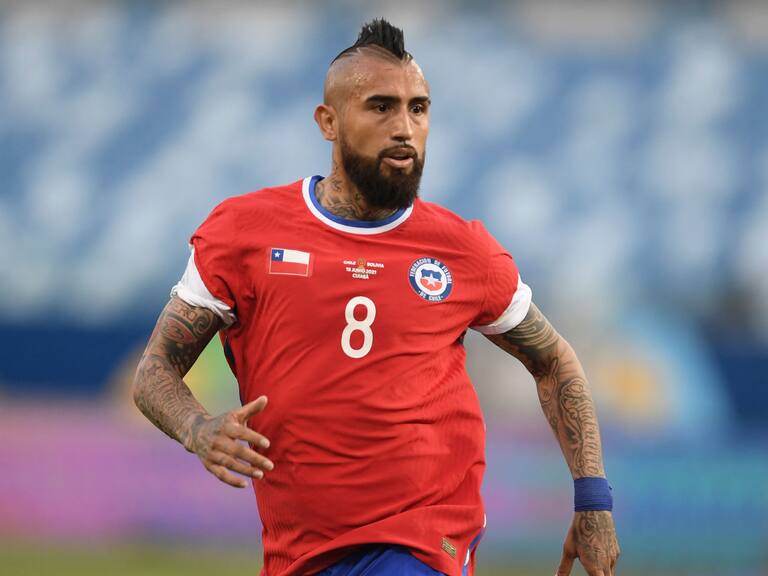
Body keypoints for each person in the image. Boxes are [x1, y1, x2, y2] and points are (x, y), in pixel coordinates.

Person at [133, 18, 620, 576]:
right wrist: (197, 428)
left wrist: (594, 501)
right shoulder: (244, 234)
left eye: (418, 108)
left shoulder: (462, 251)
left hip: (423, 543)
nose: (405, 128)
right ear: (328, 121)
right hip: (300, 552)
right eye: (381, 106)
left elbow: (555, 360)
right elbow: (155, 370)